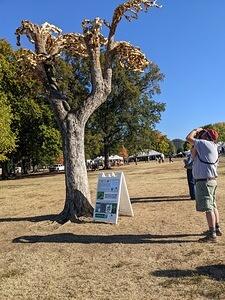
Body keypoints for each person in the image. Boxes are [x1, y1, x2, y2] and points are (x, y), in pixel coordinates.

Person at [186, 127, 222, 243]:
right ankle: (216, 228)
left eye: (203, 134)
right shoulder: (213, 146)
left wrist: (196, 130)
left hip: (204, 181)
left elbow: (188, 138)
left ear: (206, 137)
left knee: (208, 208)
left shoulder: (204, 143)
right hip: (211, 180)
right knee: (213, 205)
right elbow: (193, 155)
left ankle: (212, 235)